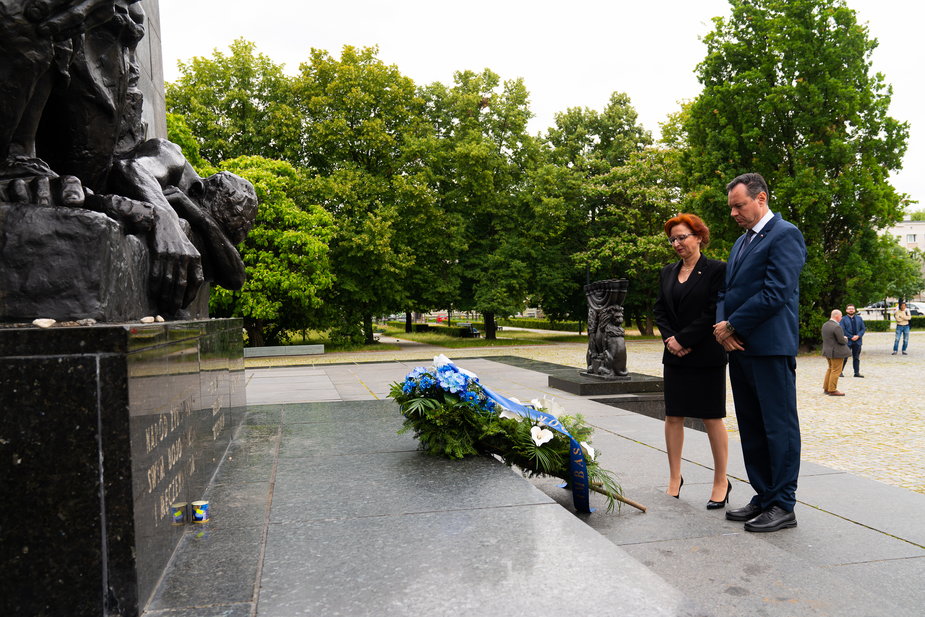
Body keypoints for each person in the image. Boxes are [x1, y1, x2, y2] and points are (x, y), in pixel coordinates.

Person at [713, 172, 806, 533]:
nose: (734, 212)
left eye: (740, 205)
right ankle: (764, 495)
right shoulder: (741, 243)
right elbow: (726, 292)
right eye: (731, 207)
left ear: (761, 198)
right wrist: (723, 330)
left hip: (769, 348)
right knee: (751, 426)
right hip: (739, 348)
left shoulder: (785, 234)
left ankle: (783, 503)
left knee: (778, 427)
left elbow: (777, 291)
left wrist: (733, 325)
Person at [653, 214, 730, 508]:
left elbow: (714, 310)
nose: (677, 243)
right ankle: (675, 478)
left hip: (707, 354)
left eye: (682, 236)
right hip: (674, 355)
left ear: (699, 236)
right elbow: (660, 310)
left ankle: (721, 480)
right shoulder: (667, 272)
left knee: (712, 417)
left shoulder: (717, 270)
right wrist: (670, 340)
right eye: (672, 239)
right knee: (673, 416)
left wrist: (683, 339)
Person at [822, 309, 850, 396]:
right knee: (836, 371)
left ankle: (826, 388)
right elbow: (841, 340)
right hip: (836, 352)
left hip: (827, 350)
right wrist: (845, 339)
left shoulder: (825, 325)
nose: (841, 318)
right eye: (841, 316)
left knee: (830, 369)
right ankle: (832, 389)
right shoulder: (837, 326)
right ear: (837, 316)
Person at [840, 304, 865, 377]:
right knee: (844, 357)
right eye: (849, 309)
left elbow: (863, 329)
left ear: (855, 310)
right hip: (848, 341)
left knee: (856, 357)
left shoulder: (859, 318)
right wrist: (851, 337)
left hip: (858, 341)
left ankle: (856, 373)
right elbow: (842, 329)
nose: (851, 310)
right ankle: (840, 372)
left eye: (852, 309)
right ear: (846, 310)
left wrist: (858, 336)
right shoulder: (843, 319)